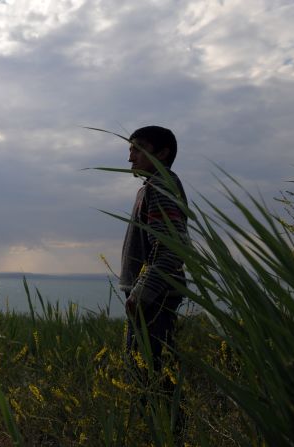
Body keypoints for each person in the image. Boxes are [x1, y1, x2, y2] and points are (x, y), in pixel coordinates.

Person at [119, 125, 188, 373]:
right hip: (150, 298)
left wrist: (141, 293)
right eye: (130, 149)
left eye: (139, 149)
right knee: (148, 377)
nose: (130, 157)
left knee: (150, 382)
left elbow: (173, 248)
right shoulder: (153, 187)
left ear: (162, 154)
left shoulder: (161, 187)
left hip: (153, 300)